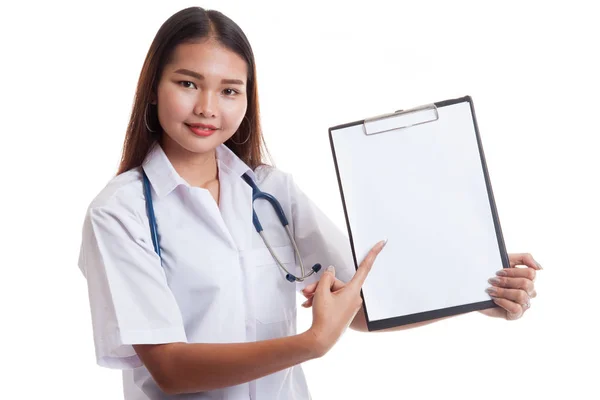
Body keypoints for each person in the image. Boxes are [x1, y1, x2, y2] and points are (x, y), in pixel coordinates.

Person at [77, 6, 543, 399]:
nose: (208, 108)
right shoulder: (120, 212)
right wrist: (312, 342)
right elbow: (171, 369)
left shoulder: (271, 191)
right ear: (153, 90)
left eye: (229, 90)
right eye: (187, 83)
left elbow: (361, 303)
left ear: (246, 101)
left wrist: (477, 292)